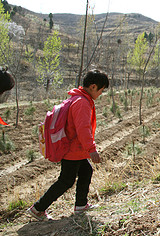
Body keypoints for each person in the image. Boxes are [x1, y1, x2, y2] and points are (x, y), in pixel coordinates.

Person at [27, 69, 109, 221]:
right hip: (72, 150)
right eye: (101, 90)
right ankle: (38, 208)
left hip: (75, 149)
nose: (100, 94)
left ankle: (81, 205)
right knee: (66, 180)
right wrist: (92, 149)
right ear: (93, 87)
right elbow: (83, 129)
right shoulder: (82, 103)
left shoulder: (77, 98)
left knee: (86, 171)